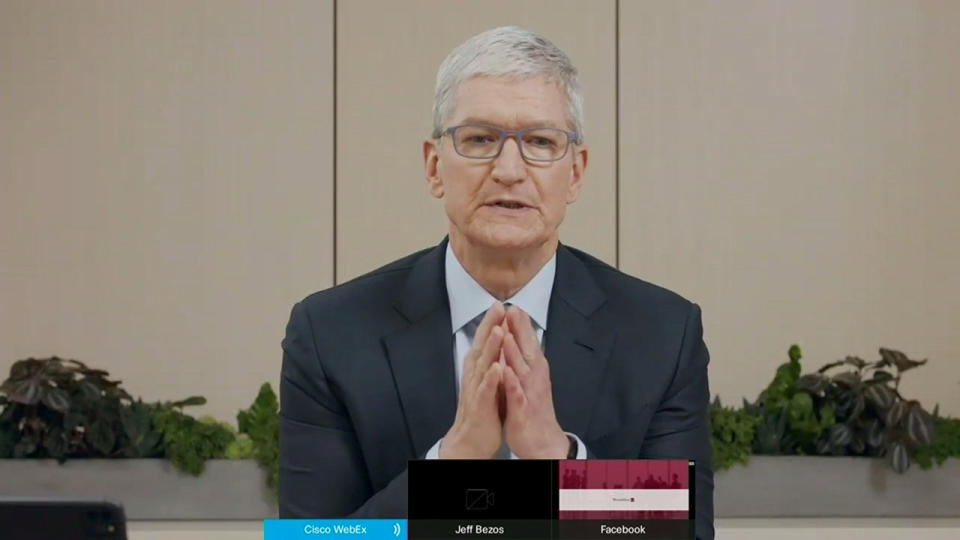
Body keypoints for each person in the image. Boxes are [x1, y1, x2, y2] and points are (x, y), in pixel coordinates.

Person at [279, 26, 714, 539]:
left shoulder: (662, 333)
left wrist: (556, 458)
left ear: (575, 174)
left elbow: (685, 537)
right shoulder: (331, 333)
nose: (509, 169)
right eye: (480, 139)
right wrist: (455, 458)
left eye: (540, 142)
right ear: (434, 165)